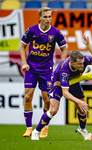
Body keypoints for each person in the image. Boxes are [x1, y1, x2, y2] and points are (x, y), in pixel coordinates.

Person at [31, 50, 92, 140]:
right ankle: (36, 132)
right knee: (53, 110)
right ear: (72, 62)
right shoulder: (65, 69)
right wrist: (78, 102)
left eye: (82, 63)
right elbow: (65, 93)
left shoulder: (84, 59)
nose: (82, 66)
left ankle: (82, 129)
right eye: (79, 64)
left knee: (82, 110)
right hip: (57, 84)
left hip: (73, 82)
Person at [20, 7, 67, 138]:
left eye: (49, 17)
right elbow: (22, 47)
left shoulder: (56, 32)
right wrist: (24, 63)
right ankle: (29, 128)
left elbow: (64, 49)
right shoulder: (31, 30)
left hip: (47, 70)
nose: (48, 19)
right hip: (31, 69)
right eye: (45, 17)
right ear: (39, 17)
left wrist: (62, 65)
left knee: (47, 99)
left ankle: (45, 126)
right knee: (28, 97)